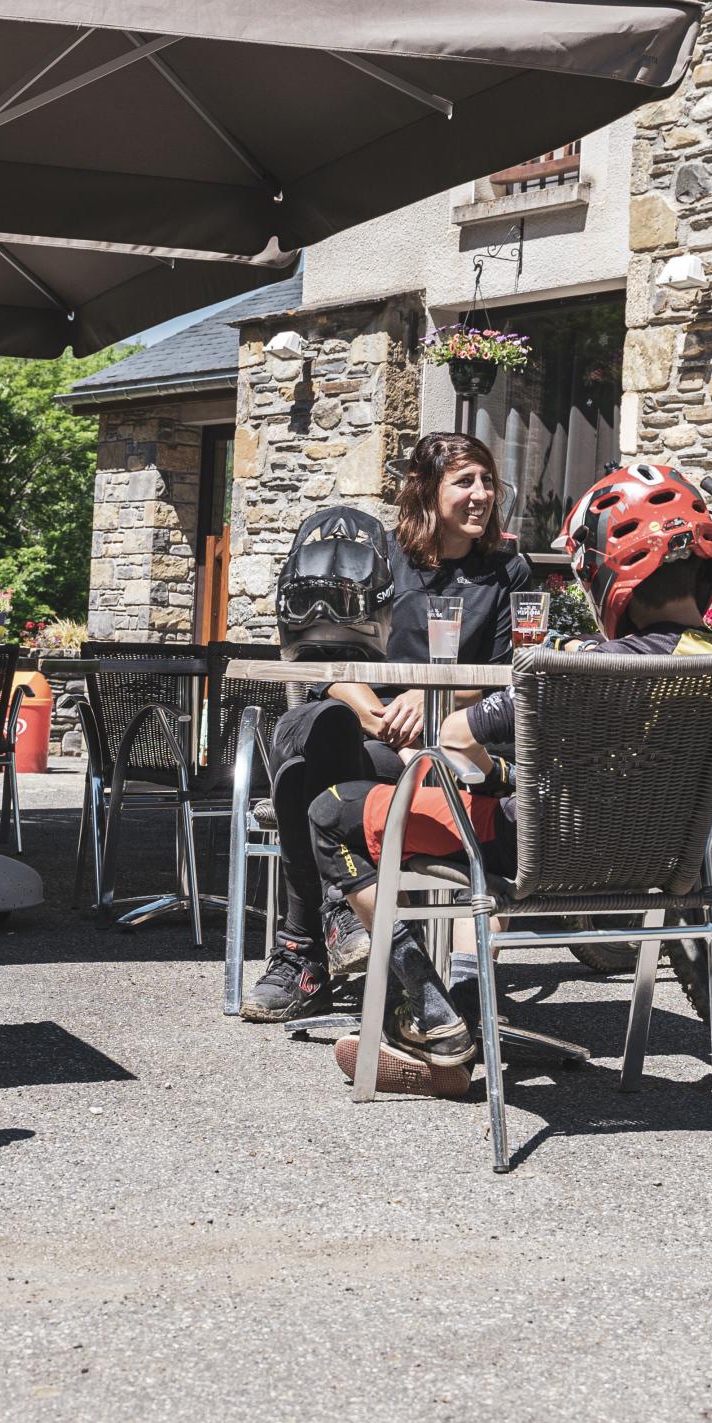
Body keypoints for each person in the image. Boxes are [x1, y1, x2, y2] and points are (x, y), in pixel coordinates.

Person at [308, 464, 712, 1092]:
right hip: (661, 869)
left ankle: (434, 1017)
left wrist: (494, 768)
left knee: (334, 813)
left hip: (539, 853)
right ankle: (461, 1017)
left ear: (609, 574)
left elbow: (455, 735)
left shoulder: (573, 671)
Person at [239, 433, 536, 1023]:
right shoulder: (379, 557)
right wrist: (370, 708)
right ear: (425, 490)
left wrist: (432, 699)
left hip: (458, 743)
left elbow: (511, 675)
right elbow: (324, 657)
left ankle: (303, 951)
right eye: (465, 482)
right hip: (369, 735)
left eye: (486, 482)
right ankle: (330, 929)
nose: (481, 495)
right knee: (311, 729)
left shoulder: (507, 571)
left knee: (303, 779)